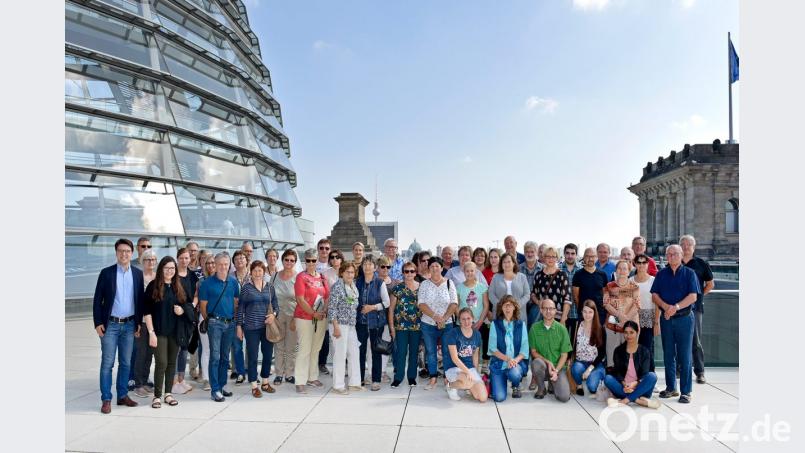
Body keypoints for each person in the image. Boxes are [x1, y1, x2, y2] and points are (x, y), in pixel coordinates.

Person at [93, 238, 145, 414]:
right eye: (121, 251)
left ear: (132, 253)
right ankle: (106, 399)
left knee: (125, 363)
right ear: (116, 253)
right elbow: (97, 300)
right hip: (110, 325)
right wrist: (98, 322)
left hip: (130, 325)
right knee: (107, 363)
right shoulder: (106, 273)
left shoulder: (138, 274)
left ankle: (122, 395)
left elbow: (139, 301)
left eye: (127, 251)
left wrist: (138, 323)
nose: (124, 254)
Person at [651, 244, 700, 404]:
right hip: (666, 319)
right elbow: (655, 295)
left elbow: (693, 296)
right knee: (668, 354)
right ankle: (671, 388)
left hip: (685, 318)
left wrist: (676, 307)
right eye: (669, 254)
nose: (671, 257)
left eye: (674, 254)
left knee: (685, 355)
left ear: (681, 255)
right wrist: (666, 307)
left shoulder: (689, 273)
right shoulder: (661, 274)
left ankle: (686, 392)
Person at [144, 256, 195, 408]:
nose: (170, 271)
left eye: (172, 268)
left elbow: (189, 305)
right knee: (161, 362)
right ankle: (157, 396)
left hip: (175, 332)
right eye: (166, 268)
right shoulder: (153, 286)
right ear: (161, 269)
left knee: (171, 363)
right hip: (158, 331)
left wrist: (182, 310)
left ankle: (168, 394)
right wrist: (151, 332)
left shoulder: (179, 286)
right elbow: (146, 312)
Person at [199, 252, 240, 402]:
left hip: (230, 323)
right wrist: (209, 320)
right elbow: (203, 307)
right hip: (215, 323)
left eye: (226, 264)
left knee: (224, 357)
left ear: (229, 265)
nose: (223, 267)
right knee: (214, 357)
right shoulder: (206, 283)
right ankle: (214, 389)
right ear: (214, 265)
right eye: (220, 264)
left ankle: (222, 386)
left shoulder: (233, 282)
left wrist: (233, 319)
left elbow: (236, 302)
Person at [237, 260, 279, 398]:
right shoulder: (246, 288)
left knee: (267, 356)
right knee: (253, 357)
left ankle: (265, 382)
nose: (257, 273)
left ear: (264, 272)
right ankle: (254, 385)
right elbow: (240, 309)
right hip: (251, 328)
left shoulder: (270, 287)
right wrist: (239, 326)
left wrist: (273, 315)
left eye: (260, 270)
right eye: (255, 270)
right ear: (251, 272)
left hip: (267, 327)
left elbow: (276, 306)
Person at [418, 256, 459, 390]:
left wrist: (444, 317)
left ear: (442, 268)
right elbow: (421, 304)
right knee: (430, 352)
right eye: (432, 266)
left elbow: (454, 303)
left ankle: (448, 378)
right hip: (428, 323)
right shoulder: (424, 284)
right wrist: (436, 317)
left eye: (437, 266)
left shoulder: (449, 283)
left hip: (447, 324)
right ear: (429, 268)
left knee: (447, 351)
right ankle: (433, 378)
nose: (435, 268)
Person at [293, 249, 330, 393]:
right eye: (308, 260)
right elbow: (300, 299)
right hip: (304, 317)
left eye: (313, 260)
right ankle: (300, 380)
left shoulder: (322, 277)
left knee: (315, 348)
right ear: (304, 261)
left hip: (320, 318)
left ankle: (312, 377)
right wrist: (313, 313)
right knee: (304, 349)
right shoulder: (301, 277)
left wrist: (323, 311)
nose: (311, 263)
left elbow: (327, 296)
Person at [680, 235, 715, 384]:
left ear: (694, 247)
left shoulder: (701, 263)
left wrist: (699, 296)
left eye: (689, 244)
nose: (686, 247)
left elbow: (710, 284)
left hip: (695, 308)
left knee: (696, 341)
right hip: (677, 308)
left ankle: (700, 372)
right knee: (678, 340)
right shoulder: (674, 262)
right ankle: (679, 369)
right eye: (684, 244)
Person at [604, 321, 661, 409]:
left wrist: (635, 384)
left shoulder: (644, 351)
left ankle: (624, 401)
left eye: (631, 332)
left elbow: (645, 373)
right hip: (624, 388)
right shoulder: (618, 351)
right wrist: (624, 384)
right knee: (608, 379)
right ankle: (638, 400)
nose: (628, 336)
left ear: (637, 332)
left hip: (641, 388)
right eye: (626, 332)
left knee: (652, 376)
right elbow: (618, 372)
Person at [327, 262, 363, 394]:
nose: (350, 274)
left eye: (352, 272)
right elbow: (331, 308)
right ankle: (338, 385)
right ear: (342, 273)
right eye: (347, 272)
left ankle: (354, 383)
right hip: (339, 325)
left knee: (354, 352)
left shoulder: (353, 286)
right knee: (340, 355)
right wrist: (335, 327)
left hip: (351, 325)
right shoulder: (337, 287)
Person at [355, 256, 390, 390]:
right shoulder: (357, 282)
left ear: (375, 267)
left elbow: (386, 303)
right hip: (361, 322)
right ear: (362, 266)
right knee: (360, 351)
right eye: (365, 264)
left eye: (370, 264)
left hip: (376, 322)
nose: (367, 267)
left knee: (376, 351)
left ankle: (376, 380)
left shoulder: (379, 283)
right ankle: (360, 379)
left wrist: (372, 307)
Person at [528, 298, 572, 402]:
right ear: (541, 310)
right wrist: (547, 362)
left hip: (558, 368)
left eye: (551, 309)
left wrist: (556, 371)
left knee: (564, 397)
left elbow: (564, 355)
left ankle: (553, 384)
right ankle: (541, 389)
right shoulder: (534, 328)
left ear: (555, 311)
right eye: (545, 308)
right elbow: (533, 352)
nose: (548, 311)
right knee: (536, 363)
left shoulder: (562, 329)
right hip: (543, 366)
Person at [487, 295, 529, 401]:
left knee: (514, 374)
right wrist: (508, 359)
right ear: (501, 308)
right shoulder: (495, 324)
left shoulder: (521, 325)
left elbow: (524, 350)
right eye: (504, 305)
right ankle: (495, 380)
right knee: (499, 397)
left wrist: (514, 361)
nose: (507, 308)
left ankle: (516, 385)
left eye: (510, 305)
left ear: (514, 307)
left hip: (515, 364)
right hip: (499, 364)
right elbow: (492, 349)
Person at [443, 308, 488, 402]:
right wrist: (468, 372)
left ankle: (468, 386)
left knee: (482, 398)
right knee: (467, 382)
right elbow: (455, 358)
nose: (466, 321)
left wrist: (475, 373)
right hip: (453, 367)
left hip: (468, 367)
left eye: (468, 318)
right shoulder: (453, 333)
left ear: (472, 318)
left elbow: (475, 355)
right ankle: (450, 385)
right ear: (459, 321)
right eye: (463, 319)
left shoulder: (477, 334)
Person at [389, 261, 421, 387]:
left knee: (414, 352)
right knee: (401, 352)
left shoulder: (421, 287)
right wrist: (392, 327)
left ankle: (412, 377)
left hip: (417, 326)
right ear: (403, 273)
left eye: (412, 271)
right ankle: (398, 377)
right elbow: (391, 309)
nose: (409, 274)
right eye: (406, 271)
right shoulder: (397, 288)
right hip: (400, 326)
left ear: (415, 273)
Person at [603, 260, 640, 367]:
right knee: (612, 356)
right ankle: (611, 380)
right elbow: (606, 304)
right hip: (612, 326)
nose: (622, 271)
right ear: (616, 271)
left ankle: (627, 380)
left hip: (629, 327)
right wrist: (619, 316)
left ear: (629, 271)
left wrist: (626, 320)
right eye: (619, 268)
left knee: (628, 356)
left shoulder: (634, 286)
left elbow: (637, 305)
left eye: (625, 269)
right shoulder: (609, 286)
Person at [173, 248, 199, 395]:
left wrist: (192, 306)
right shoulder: (173, 274)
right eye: (181, 258)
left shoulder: (192, 276)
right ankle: (174, 381)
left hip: (188, 315)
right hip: (175, 315)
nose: (184, 260)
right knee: (175, 349)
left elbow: (196, 294)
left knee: (184, 349)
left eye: (186, 258)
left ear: (190, 259)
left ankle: (181, 379)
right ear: (177, 259)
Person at [132, 249, 157, 398]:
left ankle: (145, 381)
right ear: (143, 261)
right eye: (148, 259)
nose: (151, 262)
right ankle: (138, 384)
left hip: (154, 322)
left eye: (153, 259)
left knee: (149, 353)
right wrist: (136, 323)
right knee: (140, 353)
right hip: (141, 321)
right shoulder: (137, 277)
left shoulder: (157, 277)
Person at [272, 249, 298, 386]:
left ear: (295, 262)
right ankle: (278, 374)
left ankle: (289, 374)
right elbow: (269, 296)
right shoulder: (275, 276)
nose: (289, 262)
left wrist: (295, 318)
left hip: (293, 316)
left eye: (292, 260)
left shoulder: (298, 277)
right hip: (278, 316)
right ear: (282, 260)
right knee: (279, 346)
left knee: (291, 346)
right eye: (286, 259)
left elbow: (301, 299)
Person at [456, 262, 489, 370]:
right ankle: (464, 367)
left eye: (472, 271)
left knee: (478, 344)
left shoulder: (482, 287)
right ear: (463, 272)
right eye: (467, 271)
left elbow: (486, 305)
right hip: (463, 323)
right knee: (464, 346)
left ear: (476, 272)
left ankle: (481, 366)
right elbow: (456, 305)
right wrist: (462, 320)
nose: (469, 273)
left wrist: (480, 321)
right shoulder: (459, 287)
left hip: (478, 322)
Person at [571, 301, 606, 397]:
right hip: (580, 362)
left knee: (592, 387)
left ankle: (593, 377)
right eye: (585, 311)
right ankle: (579, 385)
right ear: (581, 312)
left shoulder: (600, 329)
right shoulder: (577, 325)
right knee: (576, 368)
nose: (587, 315)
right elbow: (571, 345)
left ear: (595, 313)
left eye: (590, 312)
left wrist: (589, 369)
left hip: (595, 364)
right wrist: (568, 359)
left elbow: (602, 353)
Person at [318, 249, 345, 377]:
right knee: (334, 341)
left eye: (337, 257)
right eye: (332, 257)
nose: (335, 259)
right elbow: (323, 294)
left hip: (345, 313)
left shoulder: (347, 272)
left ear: (341, 259)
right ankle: (335, 369)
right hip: (330, 312)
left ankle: (342, 368)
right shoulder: (325, 274)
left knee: (343, 342)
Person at [630, 254, 659, 372]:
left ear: (648, 264)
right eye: (639, 262)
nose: (641, 265)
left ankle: (650, 376)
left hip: (649, 318)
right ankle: (637, 377)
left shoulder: (653, 281)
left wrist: (656, 322)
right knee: (634, 349)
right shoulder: (630, 281)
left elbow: (657, 303)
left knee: (647, 349)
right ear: (635, 264)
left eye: (644, 262)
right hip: (633, 318)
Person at [376, 255, 399, 382]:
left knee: (384, 347)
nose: (385, 269)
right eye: (382, 267)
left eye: (388, 267)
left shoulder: (395, 283)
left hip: (389, 320)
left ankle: (383, 372)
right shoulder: (373, 281)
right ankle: (374, 371)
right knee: (372, 347)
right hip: (375, 319)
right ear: (378, 268)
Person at [488, 253, 530, 321]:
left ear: (513, 263)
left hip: (519, 314)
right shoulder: (496, 277)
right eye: (504, 262)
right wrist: (501, 306)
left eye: (509, 261)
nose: (506, 264)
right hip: (500, 314)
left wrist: (516, 305)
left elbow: (527, 294)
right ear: (501, 264)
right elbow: (491, 294)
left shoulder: (522, 277)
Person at [572, 248, 609, 326]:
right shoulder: (578, 274)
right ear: (584, 258)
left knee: (598, 337)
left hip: (599, 314)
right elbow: (576, 297)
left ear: (596, 257)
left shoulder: (602, 274)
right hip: (584, 314)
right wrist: (583, 310)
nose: (590, 259)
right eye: (588, 256)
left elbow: (605, 295)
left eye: (593, 256)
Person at [228, 250, 249, 384]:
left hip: (252, 316)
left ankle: (251, 371)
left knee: (252, 347)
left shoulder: (253, 275)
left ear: (246, 260)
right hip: (235, 316)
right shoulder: (230, 277)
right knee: (237, 346)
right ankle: (240, 372)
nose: (240, 260)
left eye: (242, 258)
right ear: (233, 262)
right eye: (236, 259)